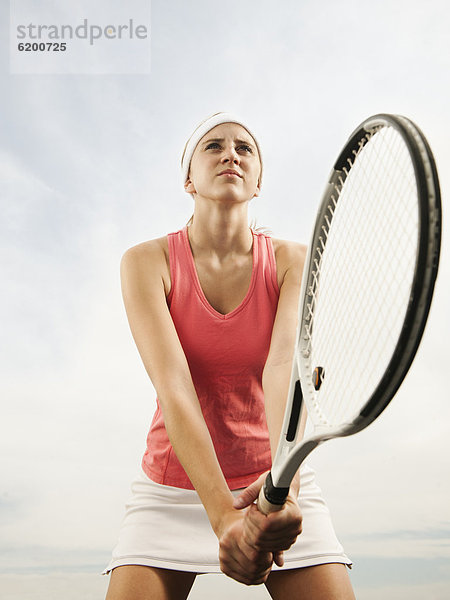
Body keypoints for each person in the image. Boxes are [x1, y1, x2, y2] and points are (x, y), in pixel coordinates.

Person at [104, 112, 355, 600]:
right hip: (172, 488)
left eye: (245, 149)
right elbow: (174, 386)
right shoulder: (145, 262)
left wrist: (286, 496)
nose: (230, 155)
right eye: (213, 146)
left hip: (271, 479)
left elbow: (284, 370)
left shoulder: (294, 262)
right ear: (188, 179)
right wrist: (222, 517)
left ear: (258, 181)